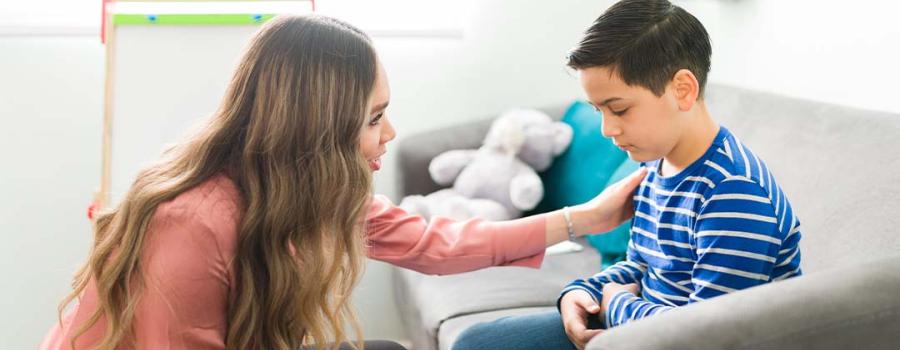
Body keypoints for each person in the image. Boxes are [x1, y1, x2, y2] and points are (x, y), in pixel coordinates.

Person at [40, 15, 645, 350]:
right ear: (315, 131)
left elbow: (438, 244)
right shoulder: (189, 224)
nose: (390, 135)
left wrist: (588, 217)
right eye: (373, 119)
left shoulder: (315, 191)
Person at [452, 1, 802, 349]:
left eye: (619, 109)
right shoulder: (657, 165)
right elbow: (639, 264)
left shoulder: (732, 191)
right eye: (598, 110)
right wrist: (581, 293)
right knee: (474, 341)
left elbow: (706, 333)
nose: (607, 129)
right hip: (637, 327)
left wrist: (618, 305)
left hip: (676, 339)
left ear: (683, 89)